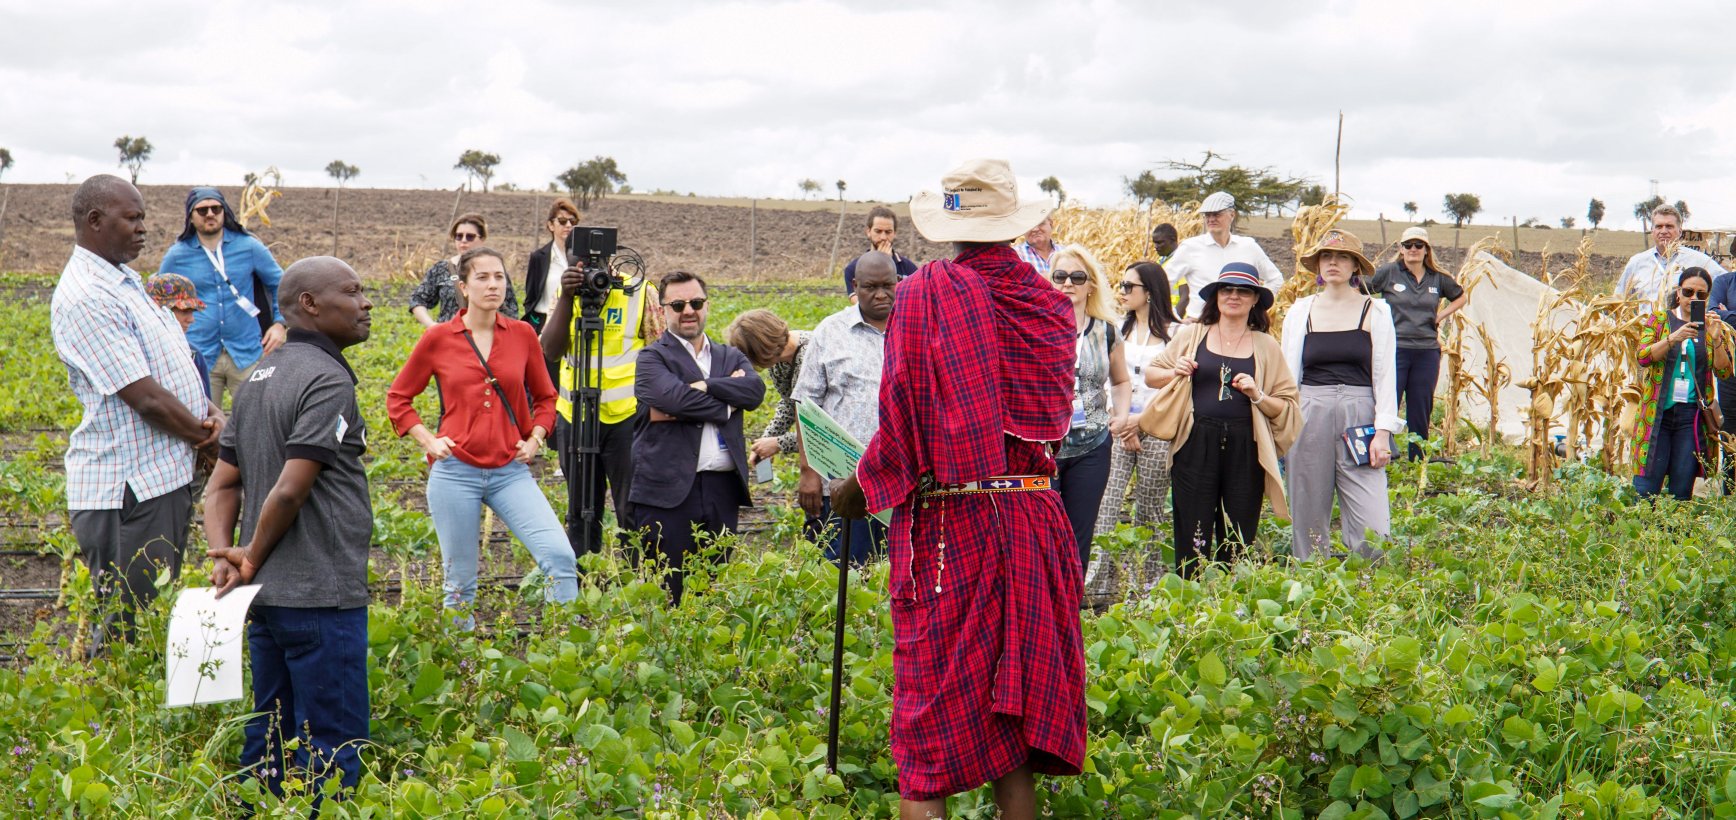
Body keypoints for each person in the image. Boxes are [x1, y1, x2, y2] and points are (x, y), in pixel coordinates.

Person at [831, 158, 1086, 816]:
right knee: (1014, 730)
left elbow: (905, 427)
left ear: (949, 229)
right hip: (1034, 518)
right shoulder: (1052, 308)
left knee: (924, 744)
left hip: (954, 526)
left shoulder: (925, 296)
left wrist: (859, 488)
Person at [204, 256, 373, 801]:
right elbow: (289, 489)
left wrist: (222, 556)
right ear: (310, 305)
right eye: (353, 291)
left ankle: (261, 807)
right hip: (321, 593)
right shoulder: (327, 381)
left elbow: (222, 487)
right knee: (334, 741)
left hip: (267, 598)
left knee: (268, 731)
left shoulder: (255, 379)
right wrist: (247, 553)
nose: (366, 302)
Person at [51, 175, 220, 651]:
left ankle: (141, 720)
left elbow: (172, 365)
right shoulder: (87, 295)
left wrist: (210, 412)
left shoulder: (124, 281)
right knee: (128, 629)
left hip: (157, 479)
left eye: (143, 217)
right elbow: (144, 396)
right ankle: (111, 718)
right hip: (129, 491)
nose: (143, 228)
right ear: (95, 221)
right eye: (133, 218)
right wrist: (209, 438)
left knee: (149, 617)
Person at [387, 247, 578, 630]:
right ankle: (463, 669)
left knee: (560, 557)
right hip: (455, 472)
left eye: (499, 277)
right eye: (482, 278)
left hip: (510, 471)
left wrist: (537, 439)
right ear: (463, 287)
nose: (493, 285)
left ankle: (565, 648)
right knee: (460, 584)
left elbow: (545, 397)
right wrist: (429, 440)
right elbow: (399, 398)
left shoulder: (523, 335)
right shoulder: (439, 338)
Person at [1144, 263, 1300, 578]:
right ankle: (1190, 597)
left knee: (1238, 528)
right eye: (1226, 290)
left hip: (1246, 445)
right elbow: (1151, 375)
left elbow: (1287, 405)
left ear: (1255, 299)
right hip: (1195, 440)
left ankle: (1230, 600)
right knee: (1192, 526)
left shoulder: (1266, 345)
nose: (1233, 296)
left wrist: (1257, 394)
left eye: (1243, 291)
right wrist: (1176, 371)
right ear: (1215, 296)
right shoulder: (1192, 335)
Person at [629, 271, 765, 604]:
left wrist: (706, 386)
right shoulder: (651, 358)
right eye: (678, 304)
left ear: (707, 305)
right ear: (663, 310)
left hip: (721, 490)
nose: (688, 310)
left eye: (696, 302)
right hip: (667, 493)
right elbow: (674, 399)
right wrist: (726, 406)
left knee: (711, 591)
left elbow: (755, 391)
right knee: (667, 593)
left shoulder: (730, 356)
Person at [1281, 230, 1402, 559]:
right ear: (1318, 265)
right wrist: (1284, 426)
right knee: (1307, 509)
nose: (1333, 262)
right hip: (1309, 412)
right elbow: (1288, 377)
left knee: (1373, 527)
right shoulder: (1300, 311)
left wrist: (1383, 432)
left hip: (1359, 415)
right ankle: (1311, 582)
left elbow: (1385, 375)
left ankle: (1367, 587)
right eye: (1326, 257)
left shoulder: (1375, 312)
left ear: (1355, 267)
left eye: (1343, 257)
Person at [539, 236, 661, 556]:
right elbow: (550, 351)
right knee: (580, 511)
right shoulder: (565, 294)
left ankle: (637, 578)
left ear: (610, 261)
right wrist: (567, 296)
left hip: (628, 420)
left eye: (592, 263)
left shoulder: (639, 292)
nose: (585, 270)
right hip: (575, 417)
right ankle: (585, 582)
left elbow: (661, 352)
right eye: (576, 264)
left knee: (633, 508)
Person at [792, 251, 896, 564]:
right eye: (870, 287)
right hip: (842, 483)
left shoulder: (915, 327)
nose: (880, 294)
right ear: (854, 286)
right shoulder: (830, 331)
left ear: (898, 283)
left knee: (895, 579)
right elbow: (806, 403)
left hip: (900, 484)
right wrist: (808, 472)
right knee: (846, 574)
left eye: (887, 285)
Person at [1046, 245, 1133, 575]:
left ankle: (1072, 611)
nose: (1068, 283)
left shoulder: (1106, 331)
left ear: (1091, 285)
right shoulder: (1038, 328)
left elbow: (1121, 381)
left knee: (1078, 534)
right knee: (1045, 534)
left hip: (1092, 446)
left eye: (1077, 277)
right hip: (1046, 448)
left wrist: (1121, 414)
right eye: (1060, 276)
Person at [157, 186, 287, 406]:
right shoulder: (177, 255)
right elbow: (158, 298)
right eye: (202, 210)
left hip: (247, 352)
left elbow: (282, 283)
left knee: (256, 421)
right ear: (190, 216)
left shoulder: (249, 246)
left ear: (224, 211)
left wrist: (280, 324)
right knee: (203, 426)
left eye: (216, 209)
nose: (210, 214)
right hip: (200, 354)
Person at [1093, 261, 1181, 544]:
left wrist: (1142, 423)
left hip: (1157, 432)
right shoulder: (1116, 329)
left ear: (1151, 292)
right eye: (1122, 285)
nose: (1123, 291)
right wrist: (1119, 419)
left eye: (1129, 286)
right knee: (1106, 503)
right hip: (1118, 428)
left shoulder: (1177, 334)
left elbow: (1178, 388)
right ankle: (1096, 581)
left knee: (1150, 508)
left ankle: (1146, 582)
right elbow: (1108, 378)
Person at [1363, 226, 1467, 460]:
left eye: (1418, 245)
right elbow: (1362, 292)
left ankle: (1417, 458)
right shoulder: (1389, 273)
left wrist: (1441, 316)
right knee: (1388, 401)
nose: (1413, 249)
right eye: (1408, 245)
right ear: (1400, 249)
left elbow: (1461, 296)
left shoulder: (1437, 277)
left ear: (1426, 250)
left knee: (1420, 406)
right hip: (1395, 349)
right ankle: (1382, 452)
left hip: (1427, 351)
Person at [1630, 267, 1733, 500]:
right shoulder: (1659, 320)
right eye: (1688, 292)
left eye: (1701, 295)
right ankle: (1643, 532)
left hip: (1691, 417)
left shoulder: (1711, 327)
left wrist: (1716, 340)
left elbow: (1724, 372)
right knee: (1646, 487)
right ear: (1678, 293)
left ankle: (1675, 534)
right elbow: (1643, 357)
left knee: (1681, 488)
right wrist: (1673, 338)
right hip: (1658, 414)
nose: (1693, 299)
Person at [1164, 192, 1286, 320]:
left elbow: (1275, 279)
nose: (1211, 219)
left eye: (1216, 214)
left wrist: (1256, 307)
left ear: (1232, 215)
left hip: (1241, 326)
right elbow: (1163, 284)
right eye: (1207, 215)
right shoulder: (1190, 247)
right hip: (1201, 324)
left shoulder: (1248, 246)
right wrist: (1174, 318)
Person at [725, 309, 810, 471]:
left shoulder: (810, 356)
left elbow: (823, 428)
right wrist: (766, 441)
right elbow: (790, 403)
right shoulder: (777, 358)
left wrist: (779, 443)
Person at [410, 213, 520, 328]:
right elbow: (417, 300)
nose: (463, 240)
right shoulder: (441, 269)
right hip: (450, 339)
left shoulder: (493, 269)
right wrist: (432, 326)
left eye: (470, 236)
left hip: (486, 339)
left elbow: (511, 310)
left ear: (482, 238)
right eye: (459, 236)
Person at [1616, 205, 1727, 304]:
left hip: (1687, 326)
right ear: (1652, 231)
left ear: (1680, 231)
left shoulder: (1699, 261)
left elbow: (1728, 283)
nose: (1663, 231)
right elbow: (1619, 299)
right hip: (1648, 326)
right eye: (1659, 226)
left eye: (1669, 226)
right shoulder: (1637, 262)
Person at [145, 273, 212, 399]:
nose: (191, 319)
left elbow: (205, 403)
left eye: (192, 312)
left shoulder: (194, 354)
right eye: (184, 311)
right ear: (158, 310)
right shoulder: (138, 354)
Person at [522, 198, 581, 333]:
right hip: (545, 326)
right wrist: (535, 325)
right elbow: (530, 299)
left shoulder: (584, 258)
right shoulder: (538, 258)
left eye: (572, 221)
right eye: (561, 221)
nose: (568, 225)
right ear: (551, 225)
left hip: (576, 326)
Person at [841, 206, 919, 294]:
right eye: (878, 231)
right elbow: (861, 304)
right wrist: (880, 264)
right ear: (868, 232)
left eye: (888, 232)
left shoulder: (909, 269)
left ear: (895, 233)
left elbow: (914, 302)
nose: (883, 237)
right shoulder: (853, 269)